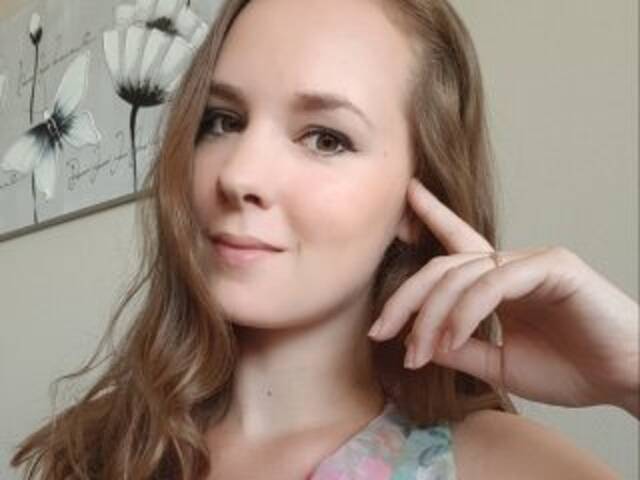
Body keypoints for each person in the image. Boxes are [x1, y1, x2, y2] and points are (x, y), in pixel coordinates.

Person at [11, 0, 638, 478]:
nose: (239, 175)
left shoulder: (494, 464)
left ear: (416, 202)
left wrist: (632, 371)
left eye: (325, 138)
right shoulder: (100, 448)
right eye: (222, 121)